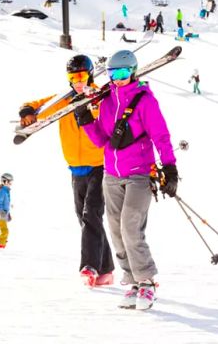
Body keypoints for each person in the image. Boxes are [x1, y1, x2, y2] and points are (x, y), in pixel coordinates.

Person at [74, 49, 179, 310]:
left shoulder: (145, 100)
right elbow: (100, 139)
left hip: (139, 174)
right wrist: (86, 120)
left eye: (122, 73)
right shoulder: (107, 101)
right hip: (111, 174)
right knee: (115, 230)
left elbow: (161, 136)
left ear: (132, 72)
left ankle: (146, 282)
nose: (117, 79)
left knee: (131, 227)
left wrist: (170, 168)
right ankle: (132, 281)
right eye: (112, 74)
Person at [19, 55, 115, 287]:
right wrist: (27, 112)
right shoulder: (64, 100)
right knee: (84, 218)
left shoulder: (99, 97)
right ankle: (106, 270)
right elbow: (37, 105)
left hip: (100, 165)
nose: (78, 81)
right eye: (73, 77)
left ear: (90, 75)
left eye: (82, 76)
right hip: (76, 168)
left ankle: (89, 266)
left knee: (91, 214)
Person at [0, 173, 13, 249]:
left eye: (11, 182)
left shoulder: (6, 191)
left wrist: (8, 214)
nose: (11, 184)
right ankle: (0, 246)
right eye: (9, 182)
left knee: (5, 231)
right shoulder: (1, 191)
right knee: (4, 231)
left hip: (2, 214)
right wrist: (2, 213)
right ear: (4, 181)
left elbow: (5, 205)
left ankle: (2, 245)